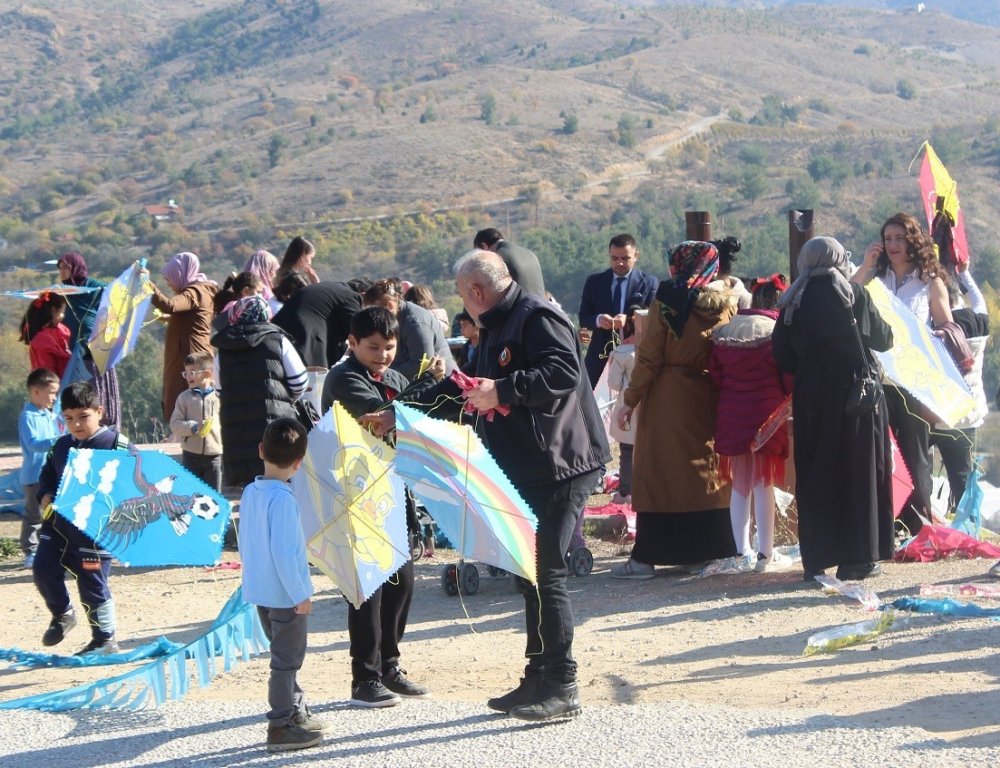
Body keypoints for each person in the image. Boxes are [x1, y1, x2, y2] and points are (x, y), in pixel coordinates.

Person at [366, 251, 608, 722]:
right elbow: (462, 386)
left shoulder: (536, 317)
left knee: (547, 572)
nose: (465, 304)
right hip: (527, 466)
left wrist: (504, 389)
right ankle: (537, 677)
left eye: (463, 295)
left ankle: (563, 683)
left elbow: (564, 372)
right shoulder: (495, 324)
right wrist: (400, 416)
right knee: (527, 572)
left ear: (476, 292)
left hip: (564, 462)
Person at [322, 307, 443, 708]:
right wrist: (426, 384)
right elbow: (385, 418)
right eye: (373, 347)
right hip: (355, 494)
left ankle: (390, 665)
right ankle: (365, 677)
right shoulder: (344, 379)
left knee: (402, 582)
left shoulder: (393, 378)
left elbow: (413, 416)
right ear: (352, 343)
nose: (382, 355)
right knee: (368, 589)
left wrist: (433, 389)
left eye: (389, 347)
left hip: (393, 489)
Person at [611, 241, 739, 579]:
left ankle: (647, 557)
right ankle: (704, 552)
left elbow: (650, 356)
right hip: (708, 393)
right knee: (703, 473)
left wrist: (630, 399)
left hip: (668, 395)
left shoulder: (669, 299)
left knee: (662, 471)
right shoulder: (727, 303)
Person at [774, 236, 894, 582]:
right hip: (857, 399)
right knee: (859, 474)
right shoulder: (854, 296)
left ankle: (817, 559)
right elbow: (884, 340)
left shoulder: (792, 302)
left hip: (812, 398)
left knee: (816, 473)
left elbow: (783, 358)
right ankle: (858, 559)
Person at [852, 212, 952, 535]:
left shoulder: (929, 283)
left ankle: (919, 525)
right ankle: (888, 525)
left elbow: (947, 326)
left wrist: (928, 341)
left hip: (915, 382)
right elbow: (844, 296)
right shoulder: (876, 281)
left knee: (915, 453)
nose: (893, 245)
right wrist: (867, 266)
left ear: (913, 241)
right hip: (881, 379)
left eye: (900, 238)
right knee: (884, 452)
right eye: (888, 238)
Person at [238, 418, 328, 753]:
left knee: (283, 658)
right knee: (286, 662)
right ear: (299, 463)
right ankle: (279, 726)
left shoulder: (251, 491)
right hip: (285, 596)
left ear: (261, 450)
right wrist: (300, 594)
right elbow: (286, 554)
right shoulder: (284, 499)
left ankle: (296, 711)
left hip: (260, 590)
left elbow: (250, 542)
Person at [35, 381, 130, 655]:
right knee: (43, 568)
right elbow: (47, 475)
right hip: (58, 527)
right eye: (68, 419)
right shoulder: (61, 445)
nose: (76, 424)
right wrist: (45, 494)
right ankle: (63, 614)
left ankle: (104, 639)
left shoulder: (117, 445)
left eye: (83, 417)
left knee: (92, 584)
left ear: (100, 411)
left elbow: (135, 483)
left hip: (95, 533)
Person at [708, 274, 793, 573]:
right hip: (767, 415)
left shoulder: (725, 331)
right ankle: (764, 556)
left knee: (739, 484)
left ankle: (740, 550)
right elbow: (787, 378)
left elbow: (716, 376)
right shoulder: (778, 331)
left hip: (732, 411)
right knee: (763, 484)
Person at [213, 295, 308, 488]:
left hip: (236, 431)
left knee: (247, 491)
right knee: (280, 484)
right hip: (275, 425)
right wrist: (285, 399)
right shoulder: (277, 340)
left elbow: (219, 389)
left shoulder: (223, 347)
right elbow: (300, 381)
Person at [578, 233, 658, 387]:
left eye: (625, 258)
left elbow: (654, 318)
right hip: (599, 358)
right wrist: (598, 320)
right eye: (615, 258)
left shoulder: (649, 283)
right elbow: (584, 318)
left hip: (634, 356)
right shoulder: (594, 282)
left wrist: (628, 320)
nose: (620, 263)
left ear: (636, 256)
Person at [149, 251, 219, 423]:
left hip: (191, 355)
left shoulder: (194, 292)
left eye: (170, 278)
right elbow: (193, 318)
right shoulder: (203, 291)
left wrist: (147, 285)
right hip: (193, 353)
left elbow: (170, 305)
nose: (169, 284)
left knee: (187, 399)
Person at [57, 252, 121, 428]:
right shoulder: (62, 290)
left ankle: (104, 426)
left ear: (75, 268)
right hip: (73, 351)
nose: (62, 272)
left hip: (95, 349)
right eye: (60, 268)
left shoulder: (93, 286)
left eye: (66, 267)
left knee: (99, 388)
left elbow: (116, 293)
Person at [362, 279, 454, 381]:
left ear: (390, 306)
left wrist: (384, 373)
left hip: (440, 385)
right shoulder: (393, 317)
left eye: (376, 313)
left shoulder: (416, 323)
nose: (373, 319)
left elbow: (421, 364)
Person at [18, 369, 62, 569]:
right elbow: (33, 443)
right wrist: (57, 441)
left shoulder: (47, 414)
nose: (54, 397)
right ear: (36, 391)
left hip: (49, 473)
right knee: (34, 515)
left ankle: (51, 547)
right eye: (51, 392)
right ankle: (31, 551)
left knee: (52, 512)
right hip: (34, 476)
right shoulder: (27, 416)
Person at [272, 276, 361, 369]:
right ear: (363, 294)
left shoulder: (330, 288)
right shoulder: (350, 296)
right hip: (305, 337)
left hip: (280, 328)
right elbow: (360, 332)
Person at [605, 306, 645, 505]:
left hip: (627, 405)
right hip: (649, 406)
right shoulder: (654, 350)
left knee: (627, 451)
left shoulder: (622, 353)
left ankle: (625, 491)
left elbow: (613, 384)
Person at [169, 352, 223, 492]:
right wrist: (193, 427)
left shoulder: (219, 396)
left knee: (214, 495)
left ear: (207, 374)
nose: (188, 376)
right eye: (186, 373)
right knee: (191, 493)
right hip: (190, 455)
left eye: (192, 372)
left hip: (215, 456)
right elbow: (175, 424)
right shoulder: (184, 398)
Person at [473, 227, 546, 298]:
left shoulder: (497, 259)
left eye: (479, 253)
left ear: (484, 246)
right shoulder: (530, 254)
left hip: (520, 308)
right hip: (543, 307)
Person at [20, 291, 71, 379]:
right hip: (52, 384)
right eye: (62, 312)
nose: (63, 316)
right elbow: (49, 371)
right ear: (54, 310)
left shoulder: (56, 331)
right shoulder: (43, 340)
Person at [244, 249, 283, 316]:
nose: (274, 275)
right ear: (266, 270)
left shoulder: (238, 285)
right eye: (272, 270)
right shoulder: (266, 294)